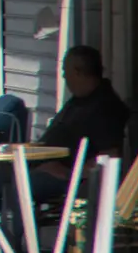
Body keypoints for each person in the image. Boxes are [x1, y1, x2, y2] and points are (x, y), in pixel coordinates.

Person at [35, 46, 130, 200]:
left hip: (64, 177)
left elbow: (109, 155)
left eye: (66, 71)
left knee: (10, 185)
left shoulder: (104, 107)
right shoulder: (81, 99)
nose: (64, 77)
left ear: (78, 72)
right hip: (40, 164)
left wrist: (71, 173)